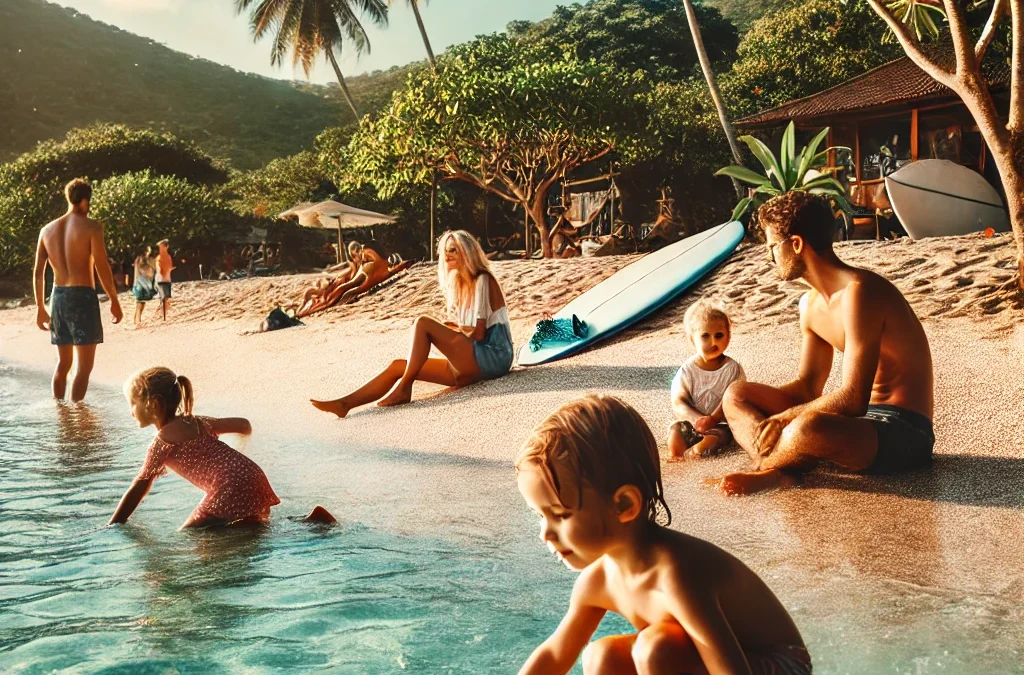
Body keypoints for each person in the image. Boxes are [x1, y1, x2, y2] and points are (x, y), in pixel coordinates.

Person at [515, 395, 811, 675]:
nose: (545, 534)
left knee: (656, 650)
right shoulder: (599, 580)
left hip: (782, 664)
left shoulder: (675, 575)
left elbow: (729, 671)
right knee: (601, 656)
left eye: (560, 515)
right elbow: (555, 655)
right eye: (540, 515)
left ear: (624, 505)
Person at [718, 191, 934, 496]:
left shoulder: (861, 292)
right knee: (736, 395)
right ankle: (783, 465)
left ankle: (771, 469)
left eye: (772, 249)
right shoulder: (809, 305)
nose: (770, 259)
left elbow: (854, 399)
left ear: (796, 244)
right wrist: (778, 413)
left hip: (903, 430)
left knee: (806, 427)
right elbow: (807, 388)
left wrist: (784, 418)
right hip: (855, 428)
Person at [311, 230, 513, 416]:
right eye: (445, 251)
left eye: (453, 250)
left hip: (494, 358)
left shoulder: (483, 279)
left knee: (423, 323)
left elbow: (478, 335)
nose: (447, 255)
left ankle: (404, 388)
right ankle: (344, 405)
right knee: (398, 366)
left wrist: (446, 336)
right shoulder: (458, 284)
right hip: (473, 362)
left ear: (467, 252)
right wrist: (450, 333)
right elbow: (469, 330)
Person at [109, 367, 336, 529]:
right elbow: (243, 424)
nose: (130, 411)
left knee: (193, 534)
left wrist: (115, 524)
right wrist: (244, 441)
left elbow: (140, 485)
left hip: (228, 486)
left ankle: (310, 525)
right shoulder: (198, 421)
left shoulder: (161, 443)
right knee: (249, 524)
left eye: (132, 404)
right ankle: (311, 522)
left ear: (153, 404)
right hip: (251, 473)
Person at [32, 178, 123, 402]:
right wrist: (114, 300)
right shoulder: (92, 227)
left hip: (58, 298)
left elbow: (37, 272)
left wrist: (40, 308)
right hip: (82, 297)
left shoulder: (47, 230)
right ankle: (76, 417)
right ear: (84, 201)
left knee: (63, 364)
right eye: (88, 202)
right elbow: (102, 266)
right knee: (84, 367)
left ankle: (61, 414)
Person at [667, 300, 745, 460]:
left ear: (728, 336)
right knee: (676, 429)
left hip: (720, 424)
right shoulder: (687, 371)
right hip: (691, 423)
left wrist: (712, 419)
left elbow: (733, 398)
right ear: (692, 339)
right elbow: (678, 401)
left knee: (723, 434)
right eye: (705, 336)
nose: (713, 342)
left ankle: (700, 449)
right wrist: (697, 419)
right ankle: (676, 454)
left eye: (719, 335)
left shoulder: (733, 369)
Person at [132, 245, 158, 328]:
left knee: (140, 303)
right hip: (141, 284)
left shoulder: (139, 259)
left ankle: (136, 319)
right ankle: (138, 321)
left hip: (139, 284)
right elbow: (145, 271)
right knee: (140, 303)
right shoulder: (141, 259)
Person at [155, 239, 175, 321]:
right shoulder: (159, 258)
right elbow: (159, 268)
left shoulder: (168, 257)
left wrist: (169, 269)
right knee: (163, 297)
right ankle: (162, 316)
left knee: (167, 298)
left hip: (167, 279)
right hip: (160, 280)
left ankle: (163, 315)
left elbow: (169, 267)